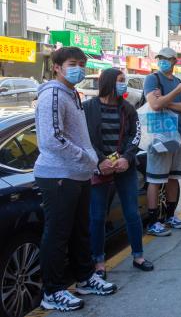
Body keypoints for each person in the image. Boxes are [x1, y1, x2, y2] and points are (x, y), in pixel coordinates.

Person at [35, 47, 117, 312]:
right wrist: (87, 158)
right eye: (73, 63)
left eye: (82, 63)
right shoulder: (53, 94)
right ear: (57, 66)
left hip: (77, 174)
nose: (79, 68)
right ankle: (53, 291)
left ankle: (84, 278)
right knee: (57, 234)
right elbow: (52, 139)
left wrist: (87, 162)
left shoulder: (71, 94)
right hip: (59, 175)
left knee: (79, 232)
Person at [84, 68, 154, 279]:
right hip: (99, 169)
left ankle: (138, 256)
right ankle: (98, 261)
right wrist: (100, 160)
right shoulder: (88, 107)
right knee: (96, 217)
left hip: (124, 167)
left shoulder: (127, 109)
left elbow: (135, 135)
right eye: (120, 80)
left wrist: (126, 157)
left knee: (131, 212)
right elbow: (84, 138)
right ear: (107, 82)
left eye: (124, 80)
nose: (123, 84)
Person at [143, 47, 181, 236]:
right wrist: (176, 94)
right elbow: (154, 105)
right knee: (155, 179)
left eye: (167, 58)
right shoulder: (152, 79)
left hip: (179, 136)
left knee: (174, 177)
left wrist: (165, 100)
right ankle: (154, 221)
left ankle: (171, 216)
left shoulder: (180, 82)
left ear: (175, 61)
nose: (163, 61)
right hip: (159, 135)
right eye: (160, 58)